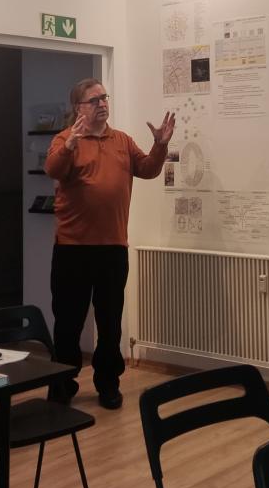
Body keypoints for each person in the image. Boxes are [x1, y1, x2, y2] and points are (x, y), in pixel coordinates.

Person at [44, 79, 173, 409]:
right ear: (79, 108)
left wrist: (159, 145)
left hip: (113, 248)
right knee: (68, 322)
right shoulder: (65, 139)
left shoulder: (122, 141)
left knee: (110, 321)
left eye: (105, 97)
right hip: (72, 248)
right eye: (94, 100)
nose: (102, 103)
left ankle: (108, 384)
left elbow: (147, 170)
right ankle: (62, 384)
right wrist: (70, 144)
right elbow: (53, 170)